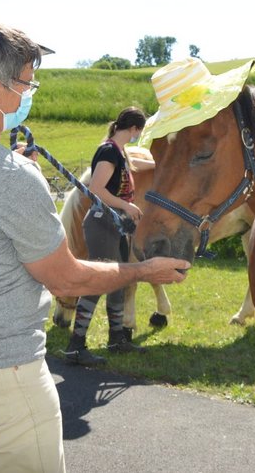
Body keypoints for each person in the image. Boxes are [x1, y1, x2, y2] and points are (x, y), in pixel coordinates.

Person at [0, 22, 188, 473]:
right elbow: (66, 277)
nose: (30, 93)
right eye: (27, 83)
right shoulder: (9, 175)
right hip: (1, 378)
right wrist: (144, 272)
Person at [64, 106, 154, 366]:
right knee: (98, 282)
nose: (139, 136)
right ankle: (75, 346)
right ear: (134, 129)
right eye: (140, 131)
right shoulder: (108, 151)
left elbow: (136, 166)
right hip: (103, 222)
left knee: (118, 281)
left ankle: (117, 339)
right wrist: (126, 206)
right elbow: (96, 189)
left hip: (117, 224)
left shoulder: (120, 152)